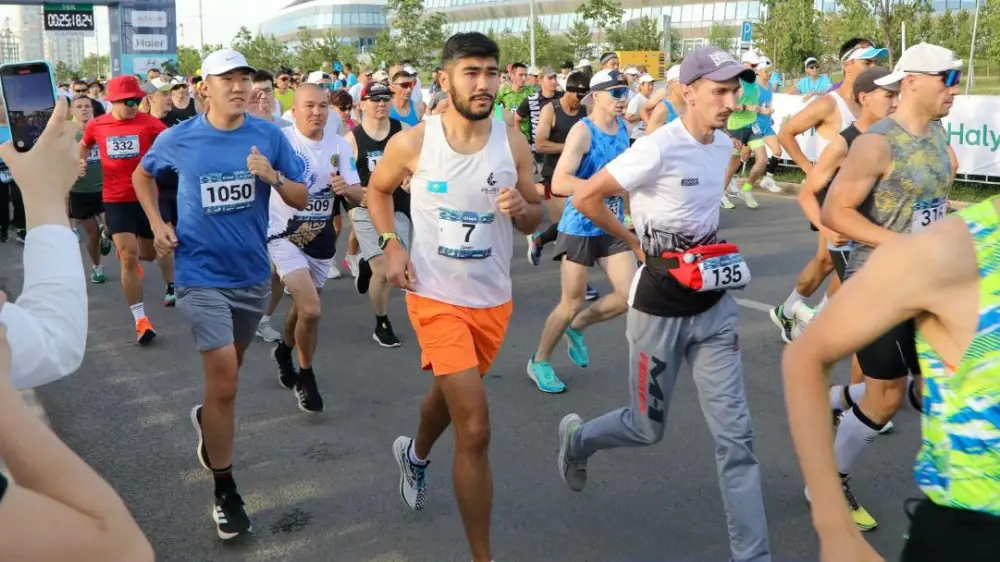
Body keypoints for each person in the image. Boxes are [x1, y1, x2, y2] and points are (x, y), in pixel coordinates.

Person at [554, 46, 771, 562]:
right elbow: (585, 197)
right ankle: (578, 440)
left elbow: (701, 206)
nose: (731, 100)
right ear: (687, 93)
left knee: (737, 439)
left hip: (714, 310)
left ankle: (753, 556)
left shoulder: (723, 146)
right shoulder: (657, 147)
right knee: (645, 428)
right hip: (659, 311)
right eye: (720, 91)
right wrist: (634, 241)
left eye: (735, 90)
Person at [366, 32, 542, 562]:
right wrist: (392, 244)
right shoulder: (415, 143)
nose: (483, 83)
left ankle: (414, 454)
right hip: (434, 295)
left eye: (490, 72)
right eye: (471, 72)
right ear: (445, 80)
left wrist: (523, 210)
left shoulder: (512, 142)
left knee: (447, 395)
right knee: (476, 427)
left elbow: (537, 215)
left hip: (492, 300)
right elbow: (377, 190)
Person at [133, 48, 309, 540]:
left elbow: (301, 196)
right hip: (198, 276)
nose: (238, 87)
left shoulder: (268, 136)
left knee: (226, 380)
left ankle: (207, 417)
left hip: (251, 277)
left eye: (244, 78)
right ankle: (225, 491)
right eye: (226, 79)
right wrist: (157, 223)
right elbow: (142, 175)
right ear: (204, 88)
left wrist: (272, 177)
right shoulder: (180, 138)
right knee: (227, 381)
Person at [811, 42, 961, 533]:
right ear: (911, 81)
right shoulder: (876, 143)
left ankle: (837, 398)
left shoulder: (938, 135)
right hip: (879, 285)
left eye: (957, 79)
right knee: (885, 399)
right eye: (947, 78)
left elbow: (931, 208)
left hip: (926, 282)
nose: (955, 89)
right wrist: (902, 244)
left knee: (939, 380)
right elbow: (835, 211)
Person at [787, 67, 900, 401]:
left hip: (881, 242)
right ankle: (856, 398)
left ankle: (855, 393)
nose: (895, 102)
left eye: (897, 95)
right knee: (867, 323)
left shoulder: (892, 138)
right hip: (849, 245)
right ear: (865, 98)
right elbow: (807, 194)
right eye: (888, 95)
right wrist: (826, 229)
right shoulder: (844, 143)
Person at [526, 69, 635, 394]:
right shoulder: (582, 132)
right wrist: (599, 188)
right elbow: (560, 182)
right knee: (571, 301)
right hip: (580, 226)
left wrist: (630, 215)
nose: (623, 99)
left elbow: (624, 180)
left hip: (611, 224)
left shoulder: (625, 129)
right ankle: (540, 361)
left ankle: (579, 326)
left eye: (625, 92)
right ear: (596, 96)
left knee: (630, 294)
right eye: (616, 93)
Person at [773, 38, 887, 334]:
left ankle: (792, 311)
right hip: (832, 193)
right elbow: (786, 133)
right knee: (843, 261)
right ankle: (815, 322)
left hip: (862, 193)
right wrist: (809, 169)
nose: (873, 67)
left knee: (828, 261)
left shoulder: (873, 102)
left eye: (876, 62)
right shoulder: (829, 103)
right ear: (847, 65)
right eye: (867, 62)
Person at [270, 84, 362, 412]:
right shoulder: (281, 141)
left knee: (304, 309)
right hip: (283, 234)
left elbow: (359, 195)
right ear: (294, 110)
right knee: (311, 309)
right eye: (309, 106)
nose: (317, 112)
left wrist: (346, 189)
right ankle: (306, 376)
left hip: (319, 236)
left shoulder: (339, 144)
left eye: (323, 106)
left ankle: (284, 350)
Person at [81, 75, 169, 343]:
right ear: (113, 102)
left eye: (136, 101)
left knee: (149, 255)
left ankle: (119, 241)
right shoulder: (97, 125)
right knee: (129, 256)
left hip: (147, 198)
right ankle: (141, 320)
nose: (133, 105)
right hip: (116, 198)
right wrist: (79, 164)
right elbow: (84, 146)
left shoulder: (149, 122)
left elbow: (173, 143)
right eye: (128, 101)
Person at [346, 81, 409, 347]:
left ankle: (364, 262)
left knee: (399, 266)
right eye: (375, 99)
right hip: (365, 209)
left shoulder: (402, 131)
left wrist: (411, 176)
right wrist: (352, 194)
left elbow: (417, 163)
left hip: (398, 206)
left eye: (385, 98)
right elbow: (342, 179)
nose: (381, 103)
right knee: (383, 270)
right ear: (362, 104)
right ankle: (382, 324)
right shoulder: (352, 139)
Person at [525, 71, 588, 266]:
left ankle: (540, 239)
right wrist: (571, 148)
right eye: (577, 96)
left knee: (574, 225)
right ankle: (576, 279)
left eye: (584, 96)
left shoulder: (585, 110)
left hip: (579, 175)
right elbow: (540, 144)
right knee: (569, 228)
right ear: (568, 91)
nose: (580, 101)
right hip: (554, 176)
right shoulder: (551, 109)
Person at [69, 95, 113, 284]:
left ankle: (106, 233)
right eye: (79, 106)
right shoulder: (67, 135)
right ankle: (96, 267)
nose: (84, 109)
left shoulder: (101, 130)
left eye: (87, 106)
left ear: (93, 109)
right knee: (92, 235)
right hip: (79, 192)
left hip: (104, 189)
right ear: (72, 111)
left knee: (112, 227)